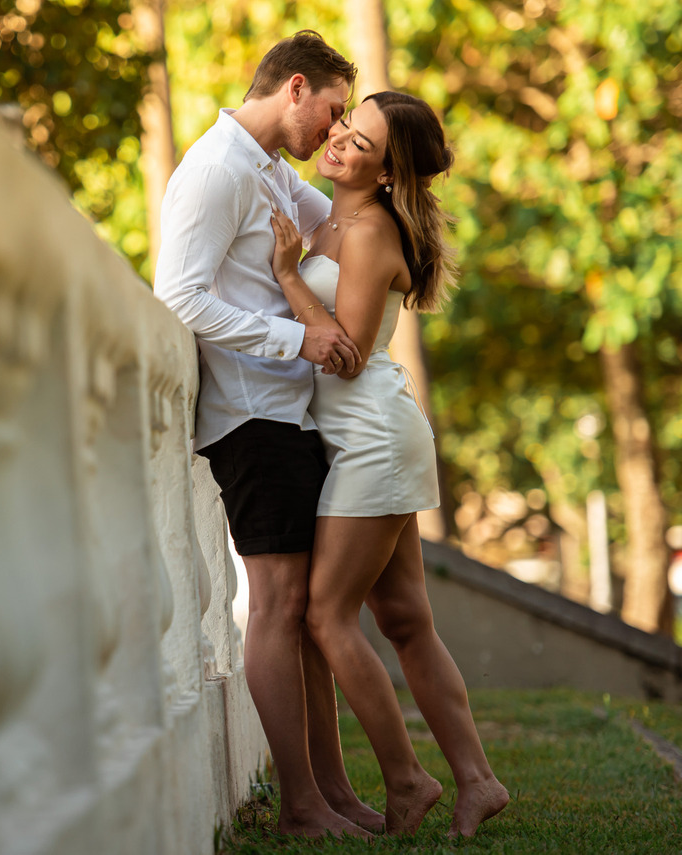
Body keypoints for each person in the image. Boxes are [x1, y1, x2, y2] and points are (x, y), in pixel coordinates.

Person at [154, 31, 379, 838]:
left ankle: (337, 792)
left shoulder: (273, 171)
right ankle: (302, 805)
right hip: (250, 418)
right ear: (293, 88)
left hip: (291, 414)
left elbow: (347, 226)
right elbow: (177, 299)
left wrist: (386, 153)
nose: (334, 128)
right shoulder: (215, 170)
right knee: (280, 608)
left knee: (311, 617)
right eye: (332, 110)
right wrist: (297, 338)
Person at [268, 91, 510, 837]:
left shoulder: (369, 231)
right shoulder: (330, 210)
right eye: (345, 124)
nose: (339, 139)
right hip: (370, 433)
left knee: (326, 614)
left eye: (361, 143)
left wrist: (286, 277)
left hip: (371, 434)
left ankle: (407, 781)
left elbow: (343, 353)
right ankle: (479, 780)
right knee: (405, 619)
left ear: (383, 174)